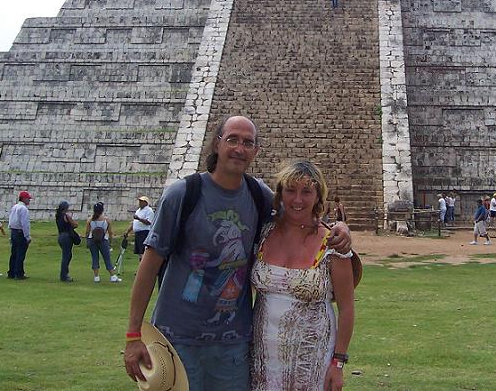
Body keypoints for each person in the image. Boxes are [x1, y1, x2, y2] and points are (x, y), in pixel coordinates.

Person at [123, 115, 352, 390]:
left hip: (234, 343)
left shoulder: (259, 196)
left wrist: (339, 228)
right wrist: (133, 334)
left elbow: (299, 214)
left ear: (255, 151)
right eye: (232, 139)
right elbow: (148, 267)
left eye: (248, 142)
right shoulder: (183, 194)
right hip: (179, 338)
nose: (239, 148)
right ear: (216, 144)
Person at [251, 160, 354, 391]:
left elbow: (347, 308)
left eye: (306, 192)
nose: (297, 200)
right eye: (290, 190)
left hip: (312, 358)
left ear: (318, 197)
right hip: (262, 355)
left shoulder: (332, 243)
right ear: (279, 194)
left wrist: (338, 363)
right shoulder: (264, 232)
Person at [85, 202, 122, 283]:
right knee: (107, 258)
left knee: (95, 258)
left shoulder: (90, 220)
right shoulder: (106, 220)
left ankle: (96, 276)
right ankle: (112, 276)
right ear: (102, 210)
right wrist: (110, 242)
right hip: (103, 240)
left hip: (92, 240)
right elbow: (110, 232)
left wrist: (87, 241)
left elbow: (87, 232)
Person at [7, 191, 32, 280]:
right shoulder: (23, 209)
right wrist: (27, 236)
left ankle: (11, 272)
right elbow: (25, 224)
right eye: (28, 199)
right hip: (20, 233)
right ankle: (19, 273)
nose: (29, 200)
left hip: (14, 231)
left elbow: (10, 220)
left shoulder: (14, 207)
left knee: (14, 253)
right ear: (24, 199)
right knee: (20, 254)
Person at [123, 196, 155, 265]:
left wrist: (139, 219)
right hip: (138, 233)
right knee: (140, 252)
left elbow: (149, 222)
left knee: (143, 251)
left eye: (141, 201)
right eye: (139, 201)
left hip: (144, 232)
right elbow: (134, 222)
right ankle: (141, 267)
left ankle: (144, 267)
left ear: (145, 202)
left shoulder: (149, 211)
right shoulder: (138, 211)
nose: (140, 203)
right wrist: (128, 231)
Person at [55, 201, 78, 282]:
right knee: (66, 256)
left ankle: (64, 274)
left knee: (67, 255)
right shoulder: (66, 216)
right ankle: (64, 275)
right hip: (66, 237)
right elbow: (75, 224)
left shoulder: (58, 216)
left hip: (60, 236)